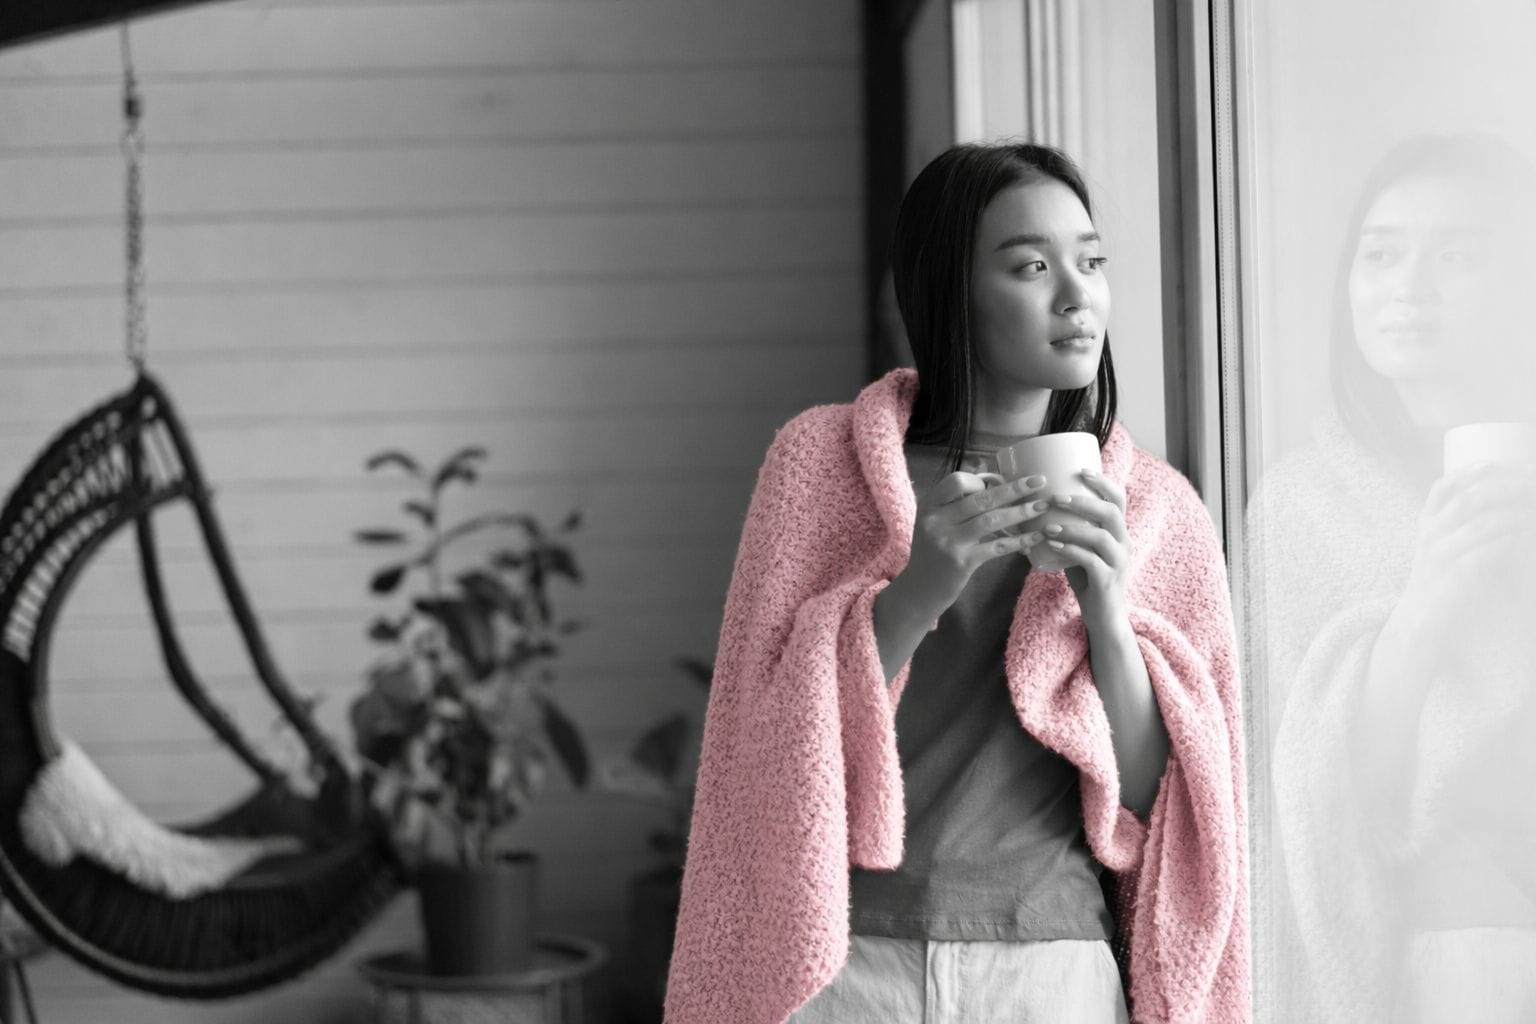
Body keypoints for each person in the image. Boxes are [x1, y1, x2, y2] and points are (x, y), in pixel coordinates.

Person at [665, 142, 1250, 1024]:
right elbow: (764, 737)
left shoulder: (1156, 508)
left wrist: (1107, 613)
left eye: (1091, 262)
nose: (1075, 293)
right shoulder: (819, 468)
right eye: (1031, 266)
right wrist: (916, 591)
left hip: (1050, 968)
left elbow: (1164, 805)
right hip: (846, 962)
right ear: (949, 289)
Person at [1247, 132, 1536, 1023]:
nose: (1408, 287)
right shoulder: (1305, 508)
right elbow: (1309, 789)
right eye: (1380, 255)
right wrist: (1429, 605)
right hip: (1454, 941)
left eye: (1456, 255)